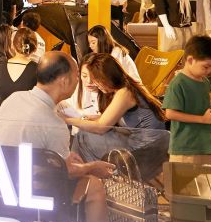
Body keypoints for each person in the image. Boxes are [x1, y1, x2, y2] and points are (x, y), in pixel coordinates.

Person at [0, 52, 114, 222]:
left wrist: (65, 159)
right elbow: (65, 172)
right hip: (28, 196)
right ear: (64, 81)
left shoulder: (14, 98)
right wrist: (91, 167)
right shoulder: (54, 123)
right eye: (77, 75)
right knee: (93, 185)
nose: (78, 81)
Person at [66, 53, 170, 181]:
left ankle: (81, 177)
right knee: (84, 134)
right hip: (144, 144)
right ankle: (87, 176)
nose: (95, 84)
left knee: (83, 136)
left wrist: (67, 119)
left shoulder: (125, 93)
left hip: (146, 151)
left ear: (108, 77)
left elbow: (101, 127)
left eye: (97, 79)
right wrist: (87, 119)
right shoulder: (125, 88)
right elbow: (106, 119)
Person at [162, 35, 211, 166]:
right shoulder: (178, 83)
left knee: (206, 178)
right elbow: (170, 114)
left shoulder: (205, 82)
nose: (209, 71)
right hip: (185, 148)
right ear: (190, 60)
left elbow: (207, 106)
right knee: (184, 179)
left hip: (206, 146)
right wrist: (203, 119)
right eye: (206, 67)